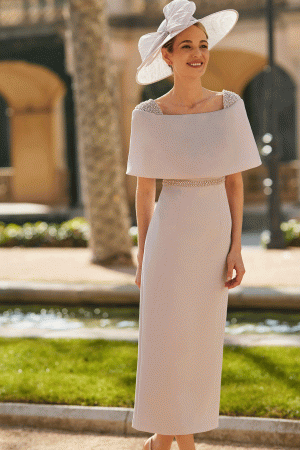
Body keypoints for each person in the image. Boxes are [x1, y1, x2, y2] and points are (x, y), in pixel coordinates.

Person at [126, 1, 262, 449]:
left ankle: (161, 443)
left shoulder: (229, 105)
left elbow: (235, 183)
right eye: (186, 46)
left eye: (202, 45)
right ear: (167, 55)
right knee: (167, 345)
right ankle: (181, 444)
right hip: (168, 239)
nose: (197, 54)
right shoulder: (147, 116)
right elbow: (146, 193)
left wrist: (236, 248)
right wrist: (144, 256)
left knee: (198, 347)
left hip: (212, 238)